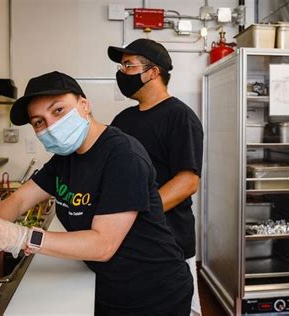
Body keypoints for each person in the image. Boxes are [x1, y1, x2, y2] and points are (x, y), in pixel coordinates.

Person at [0, 71, 194, 315]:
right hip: (110, 286)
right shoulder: (65, 159)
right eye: (39, 122)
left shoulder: (123, 155)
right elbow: (18, 201)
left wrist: (23, 237)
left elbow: (102, 244)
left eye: (58, 110)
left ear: (85, 104)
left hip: (154, 292)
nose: (51, 125)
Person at [108, 38, 204, 316]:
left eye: (128, 65)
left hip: (171, 244)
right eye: (121, 65)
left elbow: (188, 181)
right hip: (132, 244)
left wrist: (140, 213)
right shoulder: (123, 120)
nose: (121, 72)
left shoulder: (180, 117)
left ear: (152, 72)